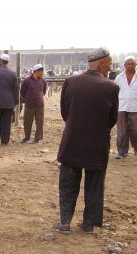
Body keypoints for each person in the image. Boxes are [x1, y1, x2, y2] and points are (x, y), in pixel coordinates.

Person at [54, 48, 118, 234]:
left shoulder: (71, 82)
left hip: (72, 142)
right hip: (97, 145)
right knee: (95, 185)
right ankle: (89, 224)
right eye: (109, 62)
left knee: (67, 184)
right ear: (99, 63)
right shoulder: (111, 87)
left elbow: (65, 112)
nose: (110, 66)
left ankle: (65, 222)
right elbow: (112, 119)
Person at [114, 56, 137, 159]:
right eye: (128, 64)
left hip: (135, 108)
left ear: (135, 65)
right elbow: (114, 92)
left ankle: (136, 149)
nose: (130, 66)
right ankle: (121, 151)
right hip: (121, 107)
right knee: (121, 131)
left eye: (132, 64)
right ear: (124, 65)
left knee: (135, 130)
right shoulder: (119, 78)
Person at [20, 63, 47, 143]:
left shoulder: (43, 81)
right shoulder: (27, 81)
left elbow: (44, 92)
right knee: (27, 122)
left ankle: (37, 138)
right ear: (36, 71)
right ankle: (27, 137)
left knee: (39, 123)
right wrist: (28, 99)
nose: (42, 73)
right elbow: (22, 92)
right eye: (41, 71)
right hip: (29, 105)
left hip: (40, 105)